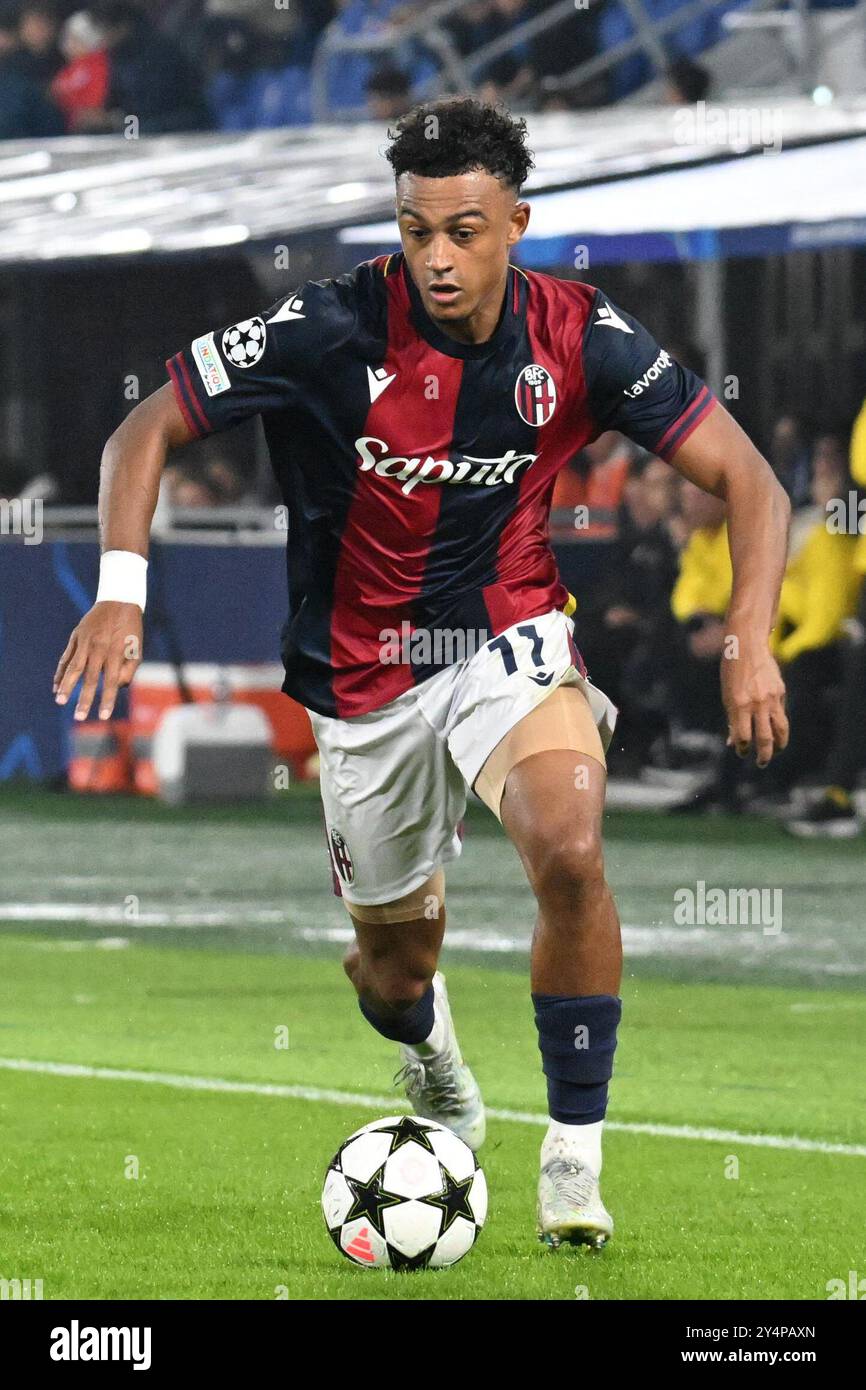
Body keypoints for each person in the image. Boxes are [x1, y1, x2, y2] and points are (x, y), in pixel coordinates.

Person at [53, 98, 790, 1251]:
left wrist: (750, 637)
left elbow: (749, 481)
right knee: (392, 967)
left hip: (507, 634)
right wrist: (119, 588)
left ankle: (571, 1156)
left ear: (516, 224)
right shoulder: (326, 327)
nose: (437, 258)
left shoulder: (580, 336)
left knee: (571, 844)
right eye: (414, 231)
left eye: (463, 230)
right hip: (361, 678)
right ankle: (431, 1052)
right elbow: (141, 429)